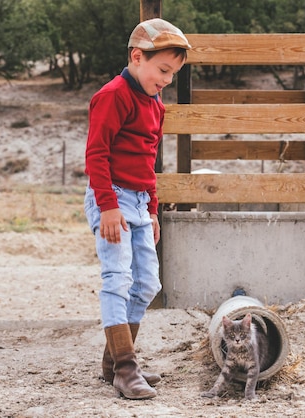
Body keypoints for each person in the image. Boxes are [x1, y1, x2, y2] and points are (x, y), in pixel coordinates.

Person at [83, 18, 191, 400]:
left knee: (148, 282)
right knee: (118, 277)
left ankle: (113, 364)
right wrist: (108, 207)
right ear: (137, 57)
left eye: (172, 74)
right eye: (163, 70)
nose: (166, 80)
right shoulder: (113, 95)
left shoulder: (156, 102)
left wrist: (154, 209)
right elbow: (95, 155)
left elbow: (149, 160)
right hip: (110, 197)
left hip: (140, 202)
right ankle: (126, 368)